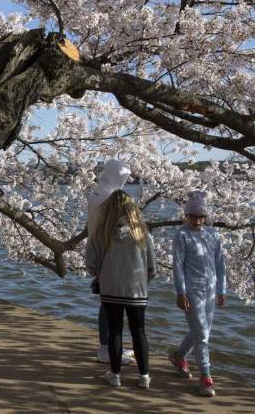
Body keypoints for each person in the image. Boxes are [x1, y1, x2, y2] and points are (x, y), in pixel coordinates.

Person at [85, 190, 156, 389]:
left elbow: (90, 263)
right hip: (136, 289)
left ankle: (115, 375)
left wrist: (101, 273)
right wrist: (143, 280)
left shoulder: (101, 232)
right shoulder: (143, 233)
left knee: (114, 331)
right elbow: (152, 267)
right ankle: (144, 376)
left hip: (110, 288)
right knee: (139, 332)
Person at [169, 191, 226, 397]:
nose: (196, 221)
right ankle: (205, 376)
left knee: (201, 331)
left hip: (210, 289)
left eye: (200, 217)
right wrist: (180, 292)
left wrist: (221, 289)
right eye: (192, 216)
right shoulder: (181, 235)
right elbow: (177, 266)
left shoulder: (213, 234)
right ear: (186, 216)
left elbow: (220, 263)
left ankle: (179, 356)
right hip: (191, 289)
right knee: (202, 333)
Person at [86, 159, 135, 366]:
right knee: (110, 304)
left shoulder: (97, 193)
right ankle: (106, 348)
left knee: (109, 303)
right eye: (122, 178)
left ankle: (111, 345)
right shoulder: (106, 198)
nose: (124, 182)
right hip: (110, 253)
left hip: (102, 251)